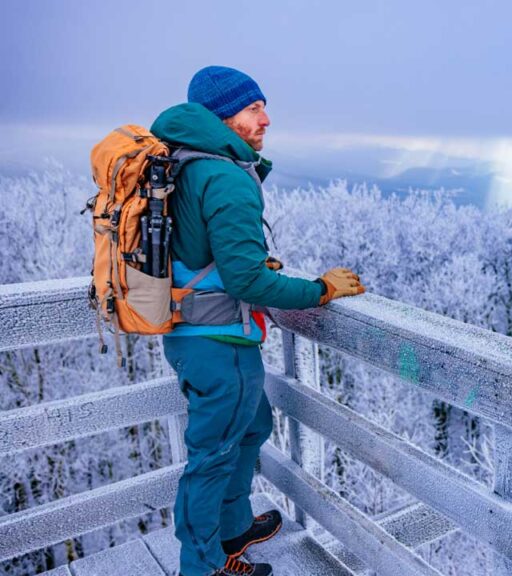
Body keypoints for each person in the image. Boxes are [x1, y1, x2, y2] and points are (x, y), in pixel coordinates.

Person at [152, 66, 364, 576]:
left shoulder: (186, 163)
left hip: (197, 334)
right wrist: (320, 290)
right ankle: (203, 566)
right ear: (225, 114)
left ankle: (231, 529)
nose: (266, 118)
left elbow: (208, 253)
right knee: (213, 457)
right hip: (218, 342)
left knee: (252, 427)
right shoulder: (225, 176)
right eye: (253, 108)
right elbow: (247, 282)